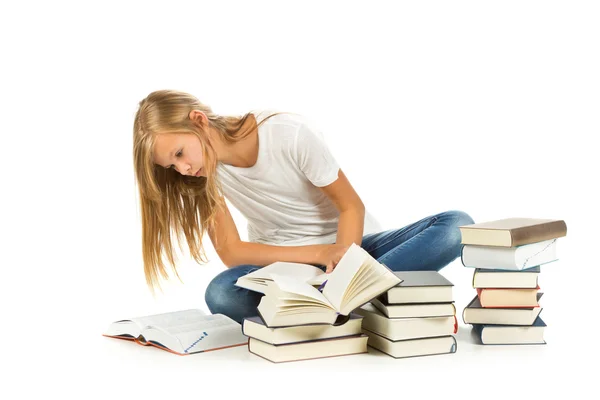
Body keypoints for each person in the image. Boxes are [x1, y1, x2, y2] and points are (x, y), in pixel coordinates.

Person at [132, 89, 474, 323]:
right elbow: (234, 254)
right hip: (285, 269)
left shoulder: (287, 132)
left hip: (354, 249)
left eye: (179, 154)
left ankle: (339, 304)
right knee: (221, 293)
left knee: (456, 226)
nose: (184, 169)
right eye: (172, 166)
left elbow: (350, 207)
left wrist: (343, 266)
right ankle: (356, 307)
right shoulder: (201, 178)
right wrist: (317, 256)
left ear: (198, 121)